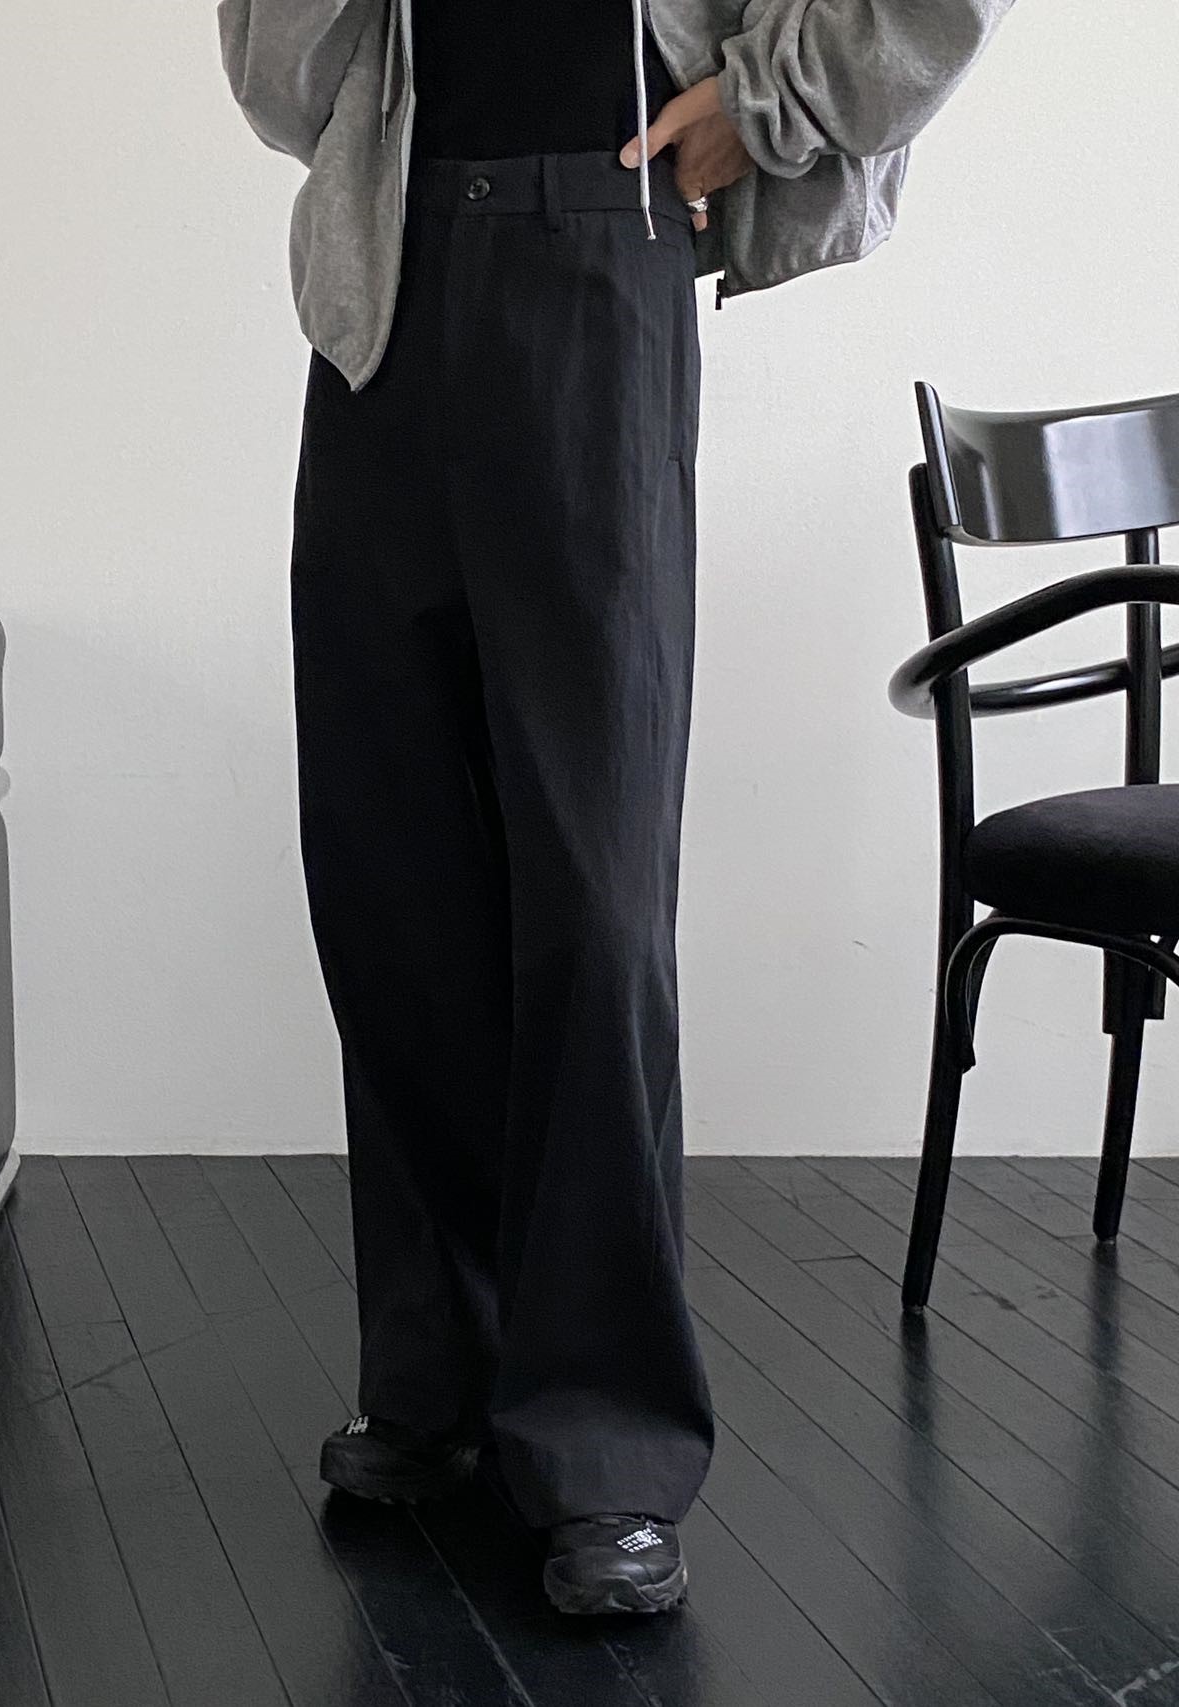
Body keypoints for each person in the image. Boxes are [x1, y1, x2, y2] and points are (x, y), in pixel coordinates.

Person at [217, 0, 1014, 1618]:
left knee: (591, 891)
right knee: (389, 871)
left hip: (601, 237)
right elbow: (284, 89)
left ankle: (603, 1445)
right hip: (384, 292)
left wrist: (772, 103)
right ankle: (437, 1374)